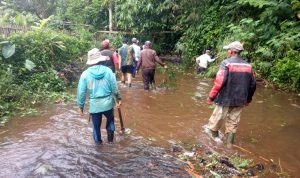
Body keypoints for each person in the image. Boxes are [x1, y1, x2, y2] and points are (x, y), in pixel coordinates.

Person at [206, 41, 256, 146]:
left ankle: (214, 141)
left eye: (228, 50)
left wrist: (211, 97)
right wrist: (248, 100)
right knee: (233, 123)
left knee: (216, 120)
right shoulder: (248, 66)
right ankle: (229, 146)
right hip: (240, 100)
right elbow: (253, 85)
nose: (227, 51)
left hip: (225, 98)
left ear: (232, 51)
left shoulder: (226, 63)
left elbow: (219, 82)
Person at [77, 48, 122, 144]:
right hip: (108, 103)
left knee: (96, 127)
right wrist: (118, 98)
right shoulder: (108, 71)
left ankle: (98, 147)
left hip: (95, 105)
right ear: (100, 59)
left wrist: (81, 106)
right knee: (110, 122)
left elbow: (81, 92)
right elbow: (114, 87)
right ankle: (110, 142)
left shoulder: (85, 74)